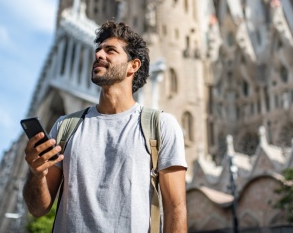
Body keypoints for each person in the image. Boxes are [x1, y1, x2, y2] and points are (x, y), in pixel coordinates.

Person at [23, 19, 187, 232]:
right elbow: (38, 209)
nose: (99, 55)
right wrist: (36, 173)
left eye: (110, 51)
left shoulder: (160, 126)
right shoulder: (66, 126)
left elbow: (176, 207)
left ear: (133, 65)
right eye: (98, 50)